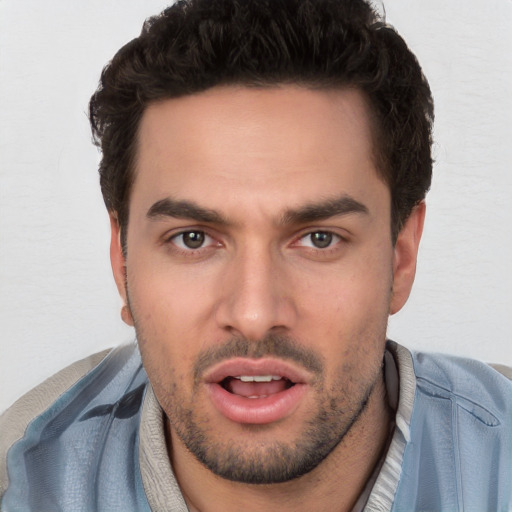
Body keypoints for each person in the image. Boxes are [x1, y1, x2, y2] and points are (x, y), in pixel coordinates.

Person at [1, 0, 511, 510]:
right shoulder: (21, 480)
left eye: (319, 239)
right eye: (193, 239)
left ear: (401, 257)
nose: (254, 315)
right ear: (123, 262)